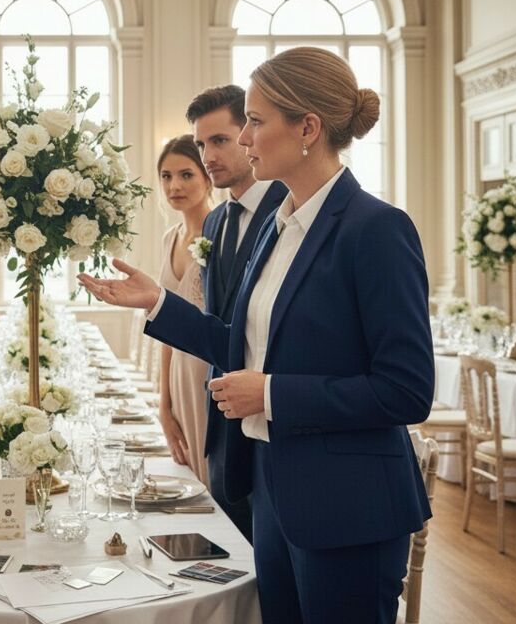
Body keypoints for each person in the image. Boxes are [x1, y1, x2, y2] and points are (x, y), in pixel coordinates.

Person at [80, 46, 433, 624]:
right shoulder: (277, 226)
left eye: (256, 121)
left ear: (308, 129)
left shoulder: (377, 230)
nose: (243, 138)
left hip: (348, 508)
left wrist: (269, 394)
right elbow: (240, 344)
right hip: (272, 489)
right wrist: (159, 302)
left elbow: (406, 390)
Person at [186, 84, 286, 542]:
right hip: (221, 427)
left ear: (247, 134)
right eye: (201, 144)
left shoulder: (286, 211)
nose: (209, 155)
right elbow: (220, 326)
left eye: (220, 140)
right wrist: (157, 304)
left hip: (272, 430)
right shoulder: (213, 221)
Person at [155, 135, 214, 483]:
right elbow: (165, 327)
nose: (174, 185)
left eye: (186, 174)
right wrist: (164, 403)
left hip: (208, 377)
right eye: (166, 176)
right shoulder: (169, 238)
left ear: (207, 178)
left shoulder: (221, 233)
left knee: (210, 482)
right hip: (178, 377)